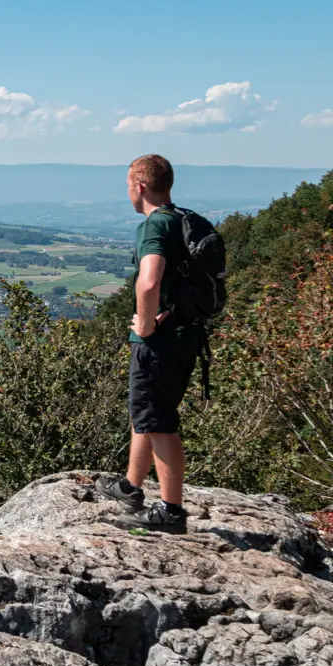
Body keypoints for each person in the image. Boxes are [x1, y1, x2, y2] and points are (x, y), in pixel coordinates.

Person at [97, 154, 199, 533]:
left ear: (139, 186)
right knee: (147, 414)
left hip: (159, 341)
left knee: (159, 422)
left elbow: (149, 280)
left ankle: (171, 512)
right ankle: (130, 486)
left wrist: (144, 324)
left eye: (127, 184)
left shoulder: (155, 226)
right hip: (183, 334)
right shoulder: (183, 220)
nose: (127, 190)